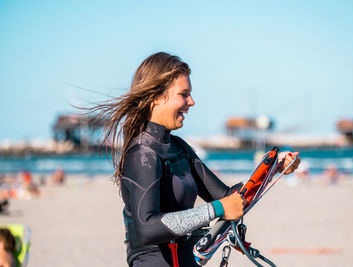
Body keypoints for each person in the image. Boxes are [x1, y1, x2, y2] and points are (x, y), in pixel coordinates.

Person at [92, 52, 300, 266]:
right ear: (156, 97)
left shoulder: (179, 148)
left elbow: (231, 197)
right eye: (184, 94)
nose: (192, 101)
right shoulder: (142, 153)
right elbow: (147, 228)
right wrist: (217, 209)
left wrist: (274, 168)